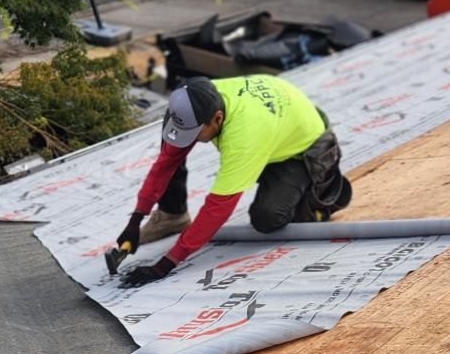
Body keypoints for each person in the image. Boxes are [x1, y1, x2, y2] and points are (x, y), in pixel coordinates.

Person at [115, 74, 351, 287]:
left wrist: (165, 264)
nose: (189, 140)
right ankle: (172, 216)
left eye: (194, 134)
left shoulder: (243, 139)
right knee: (174, 141)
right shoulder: (195, 99)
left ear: (217, 119)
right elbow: (166, 162)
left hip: (305, 148)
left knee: (267, 218)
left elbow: (217, 209)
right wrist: (136, 219)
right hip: (277, 131)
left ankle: (324, 193)